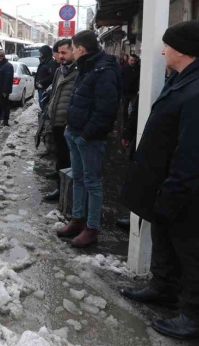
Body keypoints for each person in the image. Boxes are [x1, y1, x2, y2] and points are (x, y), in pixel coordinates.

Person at [120, 20, 199, 340]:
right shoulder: (187, 79)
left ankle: (196, 316)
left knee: (193, 252)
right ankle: (163, 287)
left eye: (167, 45)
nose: (163, 50)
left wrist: (173, 193)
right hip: (168, 184)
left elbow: (194, 154)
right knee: (166, 240)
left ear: (182, 51)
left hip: (189, 192)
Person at [56, 30, 121, 248]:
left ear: (81, 49)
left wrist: (86, 135)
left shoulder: (105, 70)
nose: (71, 51)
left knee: (92, 182)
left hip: (89, 137)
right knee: (78, 178)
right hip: (74, 132)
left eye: (72, 48)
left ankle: (91, 228)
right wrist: (69, 127)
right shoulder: (86, 66)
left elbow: (106, 110)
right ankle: (77, 219)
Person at [43, 39, 78, 201]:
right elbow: (56, 93)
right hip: (56, 121)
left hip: (69, 124)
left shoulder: (79, 72)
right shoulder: (59, 71)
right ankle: (60, 184)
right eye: (59, 53)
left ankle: (63, 191)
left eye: (64, 52)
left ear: (75, 51)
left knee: (68, 159)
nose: (60, 56)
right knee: (61, 156)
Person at [116, 92, 139, 229]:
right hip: (140, 134)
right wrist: (128, 132)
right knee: (135, 173)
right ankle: (133, 213)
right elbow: (136, 110)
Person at [120, 54, 141, 126]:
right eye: (131, 60)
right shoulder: (124, 68)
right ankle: (124, 123)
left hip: (134, 92)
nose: (133, 62)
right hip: (125, 92)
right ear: (128, 60)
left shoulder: (138, 68)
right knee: (124, 110)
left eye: (134, 61)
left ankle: (132, 123)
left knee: (134, 109)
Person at [35, 45, 58, 109]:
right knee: (41, 104)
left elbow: (52, 75)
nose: (40, 54)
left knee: (44, 104)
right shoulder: (44, 61)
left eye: (41, 52)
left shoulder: (51, 62)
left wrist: (41, 81)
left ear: (45, 53)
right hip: (41, 87)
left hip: (45, 88)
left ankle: (45, 117)